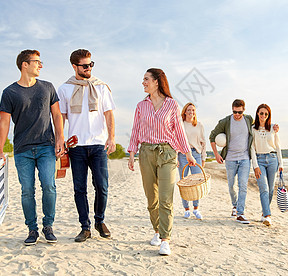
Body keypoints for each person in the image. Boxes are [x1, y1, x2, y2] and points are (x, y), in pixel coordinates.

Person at [0, 49, 65, 246]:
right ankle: (32, 229)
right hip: (22, 149)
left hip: (46, 146)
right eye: (37, 62)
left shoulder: (47, 87)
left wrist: (60, 138)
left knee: (49, 186)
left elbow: (57, 115)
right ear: (24, 64)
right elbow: (4, 123)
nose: (40, 65)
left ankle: (48, 226)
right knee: (27, 190)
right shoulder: (9, 92)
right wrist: (0, 151)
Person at [127, 68, 196, 256]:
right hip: (146, 152)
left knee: (166, 198)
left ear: (157, 81)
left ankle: (165, 239)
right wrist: (132, 152)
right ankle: (157, 230)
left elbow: (179, 131)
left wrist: (188, 154)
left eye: (146, 79)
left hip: (167, 153)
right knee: (152, 198)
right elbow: (135, 130)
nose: (143, 82)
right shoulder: (141, 106)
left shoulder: (172, 104)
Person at [57, 49, 116, 243]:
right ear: (74, 67)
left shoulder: (101, 87)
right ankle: (85, 227)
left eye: (91, 64)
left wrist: (111, 138)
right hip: (76, 146)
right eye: (84, 65)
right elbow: (61, 117)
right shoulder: (65, 89)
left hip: (98, 144)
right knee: (79, 188)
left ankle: (100, 221)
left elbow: (108, 113)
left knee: (102, 185)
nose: (89, 68)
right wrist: (60, 140)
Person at [209, 99, 279, 224]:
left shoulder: (248, 120)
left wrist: (274, 127)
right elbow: (212, 136)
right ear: (232, 110)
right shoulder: (225, 121)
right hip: (230, 159)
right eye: (235, 112)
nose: (237, 115)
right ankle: (235, 205)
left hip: (245, 158)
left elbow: (261, 124)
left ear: (244, 110)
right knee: (231, 185)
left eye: (239, 112)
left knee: (243, 186)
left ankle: (240, 213)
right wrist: (216, 154)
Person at [250, 104, 283, 226]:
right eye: (261, 113)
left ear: (268, 115)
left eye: (266, 114)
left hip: (273, 159)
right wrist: (255, 166)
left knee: (270, 190)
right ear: (257, 114)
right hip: (260, 160)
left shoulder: (273, 128)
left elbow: (278, 146)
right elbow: (252, 148)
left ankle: (264, 213)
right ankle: (268, 216)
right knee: (263, 188)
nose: (263, 116)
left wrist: (281, 163)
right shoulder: (253, 129)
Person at [177, 102, 206, 220]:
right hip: (183, 155)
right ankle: (186, 209)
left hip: (196, 154)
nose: (191, 112)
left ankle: (196, 208)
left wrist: (203, 158)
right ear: (184, 112)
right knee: (184, 182)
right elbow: (176, 141)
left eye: (193, 110)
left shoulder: (199, 125)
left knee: (196, 183)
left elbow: (203, 143)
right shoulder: (180, 125)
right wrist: (176, 157)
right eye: (188, 110)